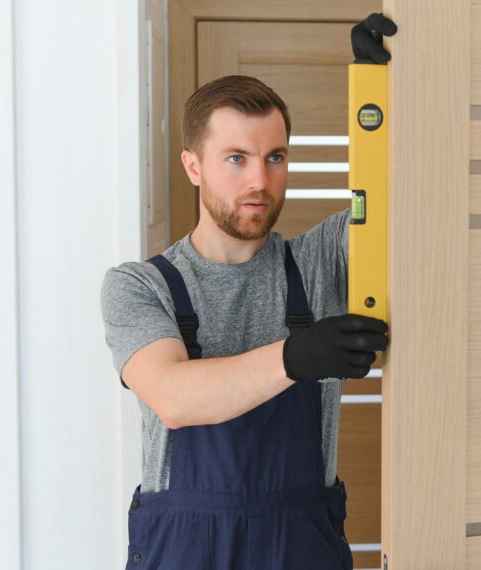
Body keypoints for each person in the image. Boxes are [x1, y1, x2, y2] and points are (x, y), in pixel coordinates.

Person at [100, 71, 388, 568]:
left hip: (301, 545)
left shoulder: (324, 261)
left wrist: (387, 81)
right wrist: (296, 356)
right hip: (185, 551)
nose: (260, 180)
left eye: (275, 157)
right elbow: (173, 396)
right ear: (193, 166)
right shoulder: (140, 286)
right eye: (236, 158)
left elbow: (406, 196)